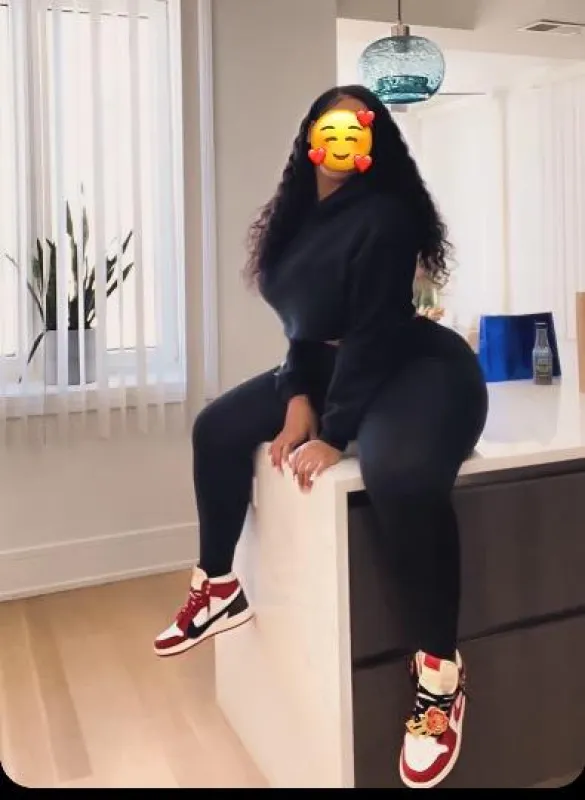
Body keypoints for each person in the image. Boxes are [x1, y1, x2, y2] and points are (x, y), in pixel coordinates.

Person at [154, 85, 488, 789]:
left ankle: (439, 678)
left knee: (401, 477)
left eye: (357, 130)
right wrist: (297, 397)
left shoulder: (386, 215)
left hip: (416, 368)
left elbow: (371, 329)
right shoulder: (294, 218)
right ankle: (218, 585)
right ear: (310, 137)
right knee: (217, 429)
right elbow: (303, 328)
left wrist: (333, 432)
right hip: (337, 365)